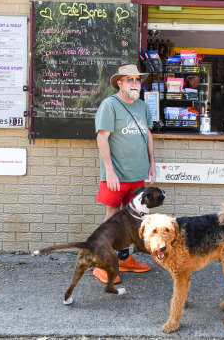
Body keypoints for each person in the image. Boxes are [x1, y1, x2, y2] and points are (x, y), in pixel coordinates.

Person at [93, 64, 157, 284]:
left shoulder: (142, 106)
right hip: (116, 175)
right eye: (129, 79)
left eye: (137, 80)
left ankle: (124, 259)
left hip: (138, 173)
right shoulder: (109, 105)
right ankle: (101, 264)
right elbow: (102, 138)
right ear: (119, 83)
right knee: (112, 218)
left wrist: (152, 163)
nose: (134, 83)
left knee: (132, 220)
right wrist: (109, 171)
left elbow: (148, 134)